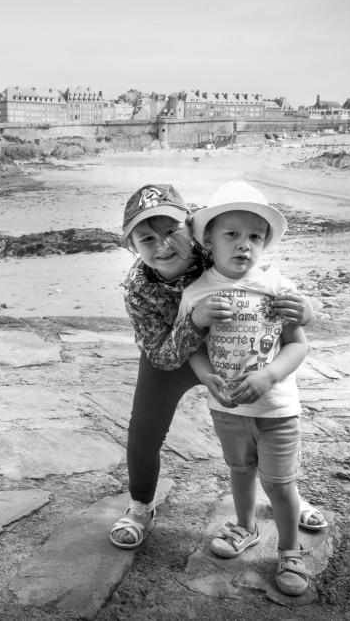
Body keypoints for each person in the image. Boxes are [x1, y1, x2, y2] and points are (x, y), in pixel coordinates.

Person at [109, 184, 322, 552]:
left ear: (193, 228)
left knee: (269, 424)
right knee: (144, 430)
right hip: (175, 353)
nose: (163, 245)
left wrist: (308, 310)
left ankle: (287, 493)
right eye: (146, 238)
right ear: (132, 246)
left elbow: (270, 282)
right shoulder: (136, 286)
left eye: (171, 230)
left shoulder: (221, 246)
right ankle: (142, 505)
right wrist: (193, 323)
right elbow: (160, 355)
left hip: (237, 350)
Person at [179, 180, 313, 596]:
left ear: (266, 243)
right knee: (239, 471)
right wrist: (205, 376)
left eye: (255, 236)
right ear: (209, 241)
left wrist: (270, 375)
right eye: (231, 235)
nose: (244, 245)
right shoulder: (196, 293)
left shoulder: (277, 289)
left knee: (280, 483)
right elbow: (191, 347)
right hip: (228, 409)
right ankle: (245, 527)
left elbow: (296, 344)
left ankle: (290, 551)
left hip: (277, 409)